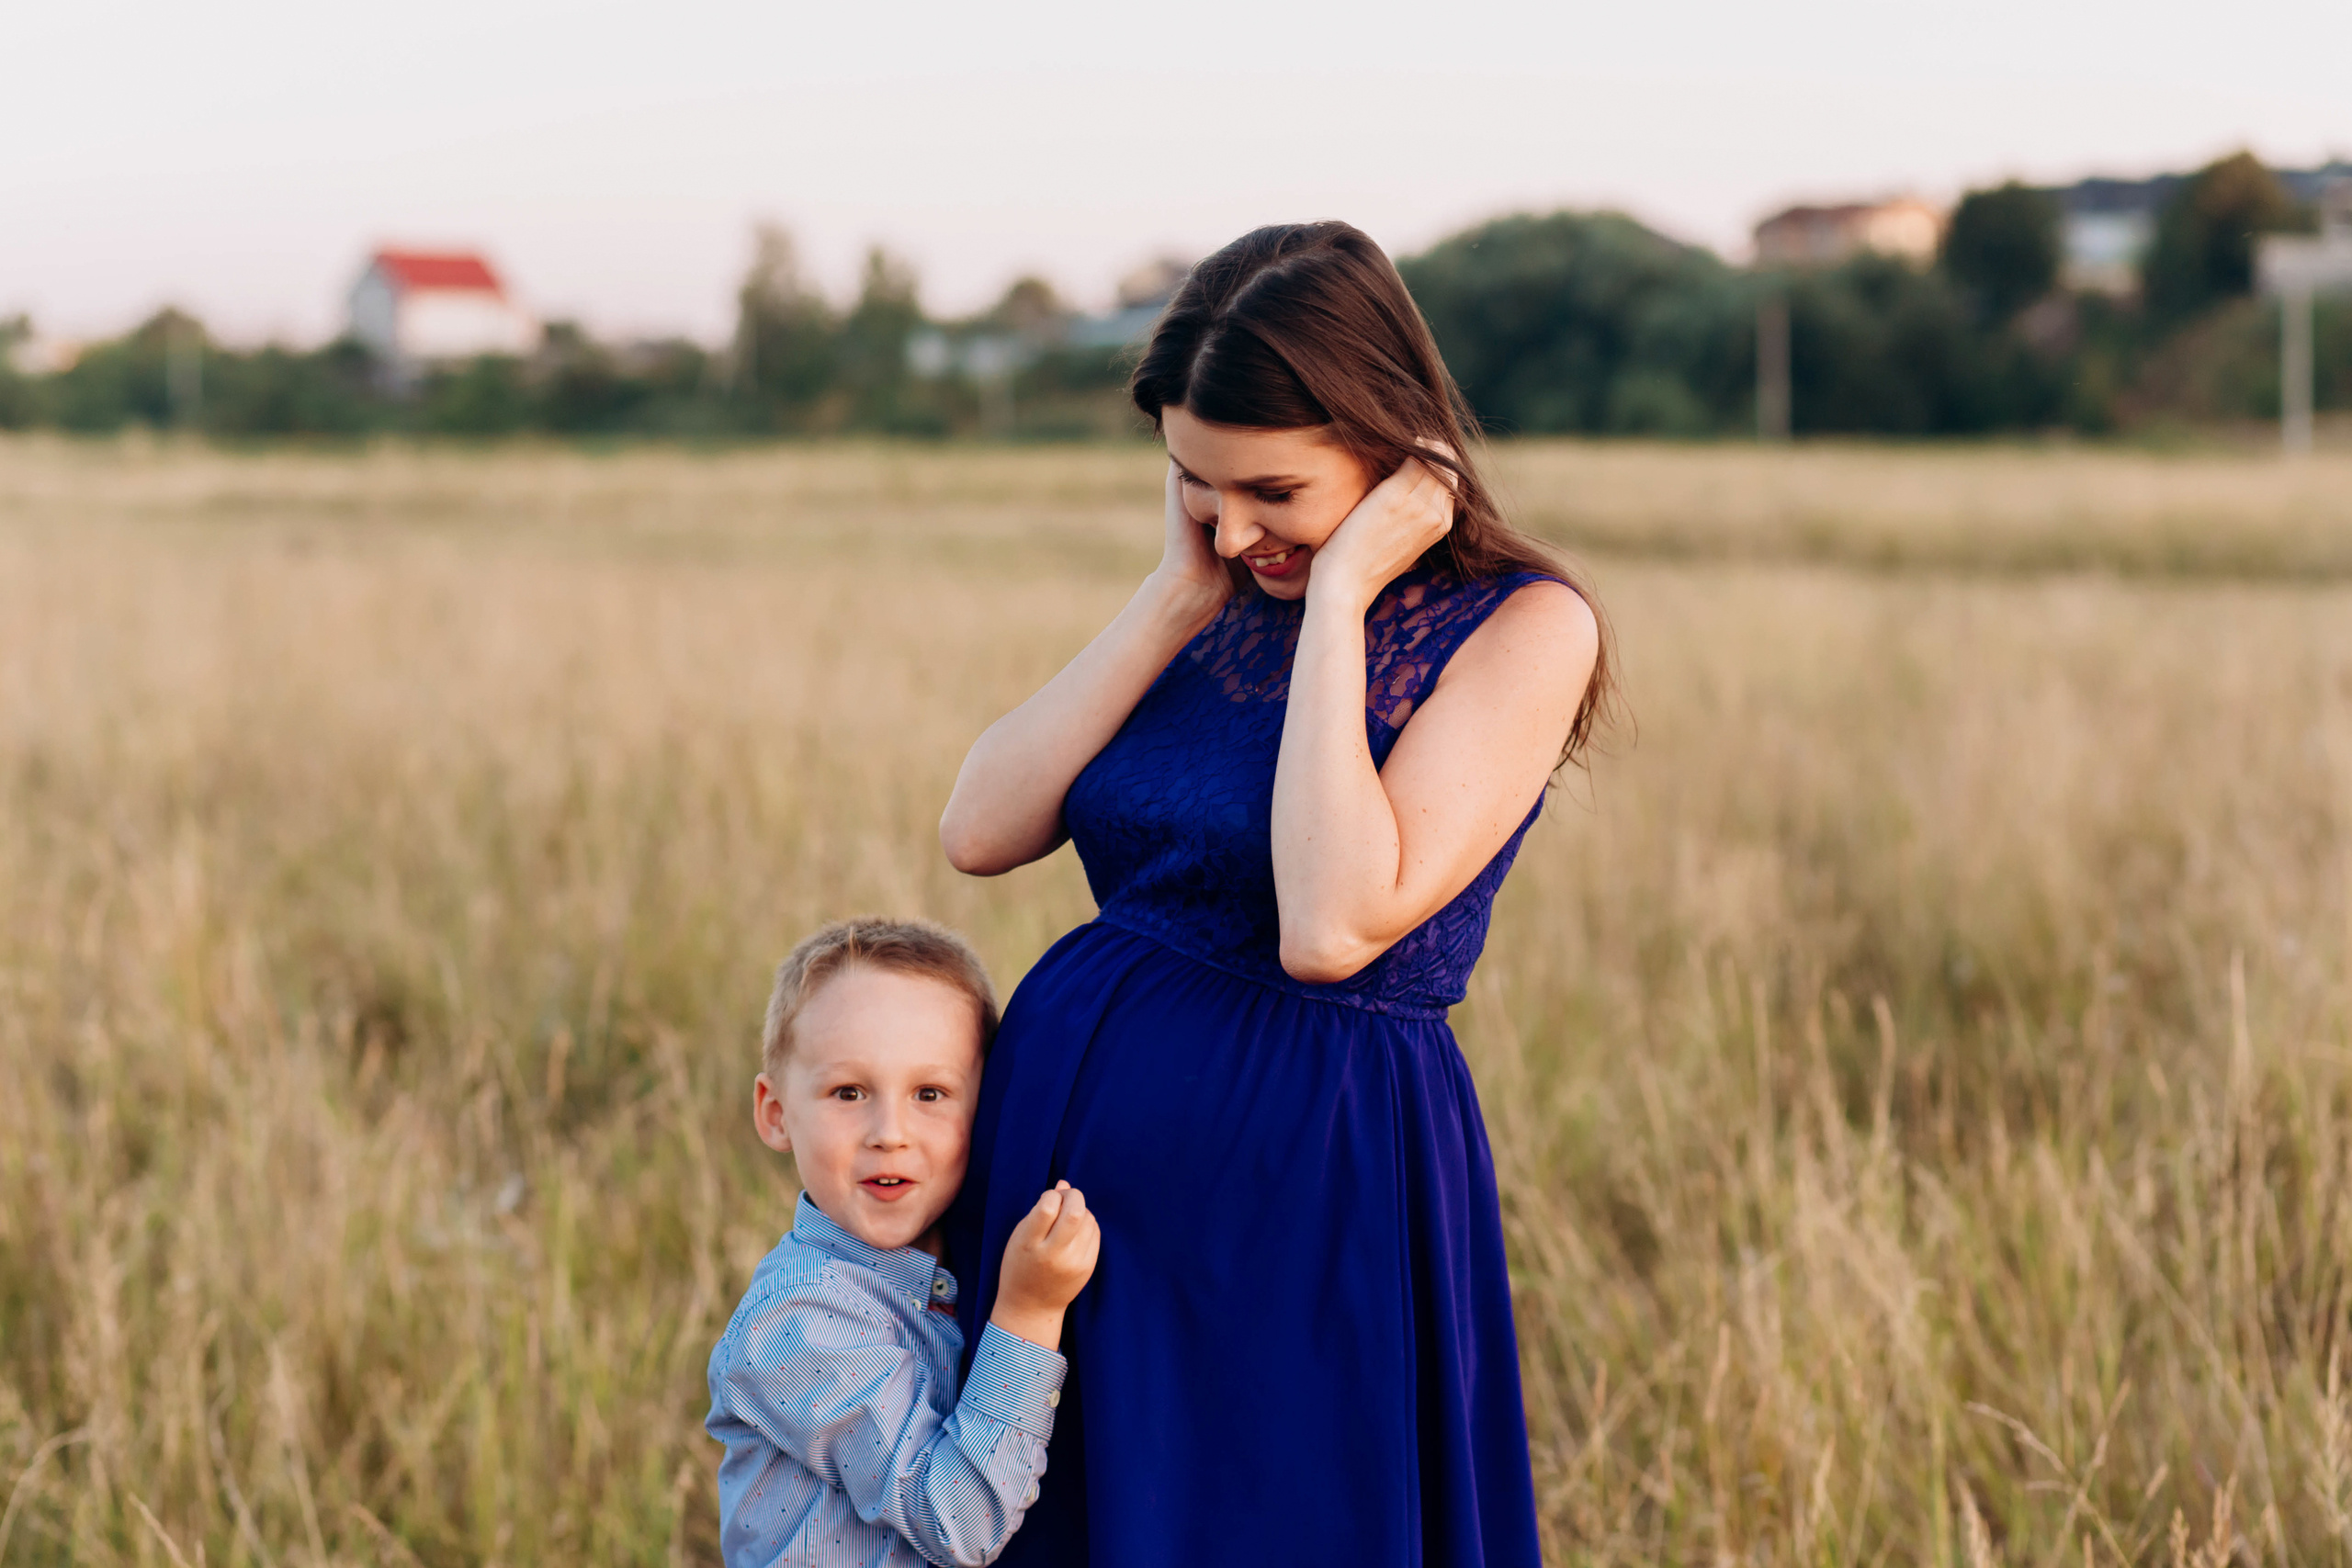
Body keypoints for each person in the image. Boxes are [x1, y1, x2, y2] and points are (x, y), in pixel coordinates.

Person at [937, 221, 1615, 1566]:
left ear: (1391, 444)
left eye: (1273, 491)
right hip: (1057, 1201)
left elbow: (1331, 923)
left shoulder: (1523, 626)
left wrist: (1349, 591)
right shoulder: (1215, 592)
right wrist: (1170, 593)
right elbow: (979, 824)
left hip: (1298, 1193)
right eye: (1193, 483)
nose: (1235, 527)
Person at [707, 919, 1102, 1568]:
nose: (889, 1132)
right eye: (849, 1091)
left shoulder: (946, 1270)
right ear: (775, 1112)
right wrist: (1029, 1311)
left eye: (930, 1093)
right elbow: (958, 1518)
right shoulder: (798, 1319)